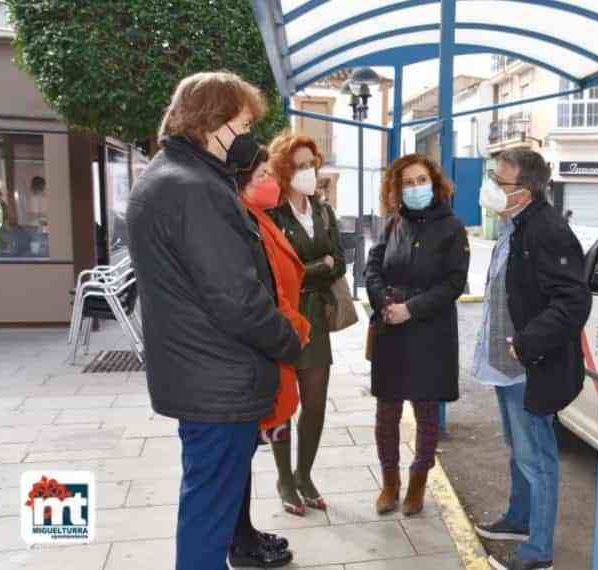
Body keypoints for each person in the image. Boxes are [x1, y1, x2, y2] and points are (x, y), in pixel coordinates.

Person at [126, 71, 301, 570]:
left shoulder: (168, 176)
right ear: (216, 122)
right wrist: (287, 341)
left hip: (200, 373)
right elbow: (236, 297)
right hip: (219, 379)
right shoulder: (195, 188)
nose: (249, 136)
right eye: (244, 123)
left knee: (206, 504)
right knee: (208, 515)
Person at [471, 149, 591, 570]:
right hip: (506, 364)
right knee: (517, 448)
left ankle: (538, 552)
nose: (491, 189)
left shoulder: (547, 231)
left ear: (523, 192)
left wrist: (525, 344)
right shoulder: (514, 225)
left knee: (537, 458)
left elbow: (573, 302)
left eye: (500, 182)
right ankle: (519, 519)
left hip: (529, 364)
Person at [365, 154, 470, 516]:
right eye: (407, 183)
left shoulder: (452, 228)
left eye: (420, 180)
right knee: (387, 412)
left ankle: (418, 482)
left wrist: (411, 309)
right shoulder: (393, 224)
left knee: (426, 413)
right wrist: (384, 304)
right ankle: (389, 482)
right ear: (397, 189)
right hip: (391, 329)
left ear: (435, 182)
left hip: (430, 331)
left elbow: (454, 282)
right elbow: (372, 268)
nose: (415, 188)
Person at [228, 146, 313, 568]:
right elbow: (263, 292)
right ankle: (239, 541)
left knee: (242, 453)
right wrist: (292, 330)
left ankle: (242, 532)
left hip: (271, 346)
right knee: (236, 454)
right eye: (264, 172)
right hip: (264, 347)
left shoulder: (255, 218)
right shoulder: (240, 222)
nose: (273, 180)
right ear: (242, 180)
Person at [266, 134, 346, 516]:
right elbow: (278, 275)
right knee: (282, 404)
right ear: (284, 170)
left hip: (314, 319)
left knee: (314, 405)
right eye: (299, 165)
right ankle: (284, 478)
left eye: (311, 163)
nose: (308, 172)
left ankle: (304, 474)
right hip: (282, 320)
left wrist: (310, 271)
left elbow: (342, 263)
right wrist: (317, 268)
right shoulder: (272, 215)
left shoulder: (324, 211)